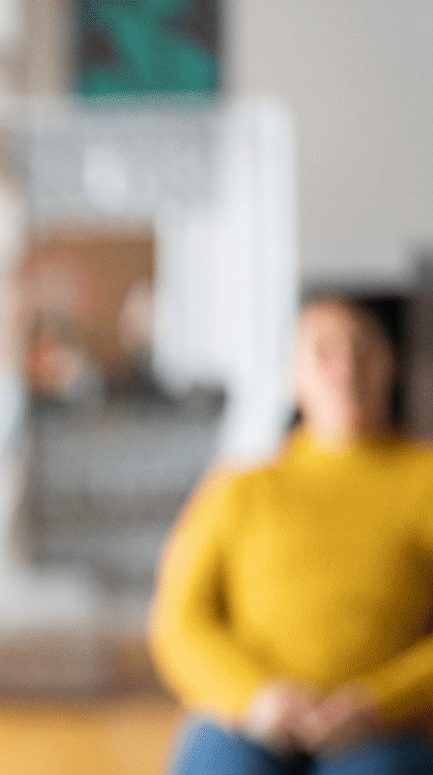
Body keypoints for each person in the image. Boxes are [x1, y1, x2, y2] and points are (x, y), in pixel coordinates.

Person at [149, 296, 433, 774]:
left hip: (385, 726)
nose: (346, 368)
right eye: (324, 351)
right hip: (247, 719)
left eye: (362, 350)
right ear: (293, 377)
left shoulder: (424, 479)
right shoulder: (238, 488)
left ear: (390, 364)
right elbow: (178, 621)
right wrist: (254, 698)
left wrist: (378, 702)